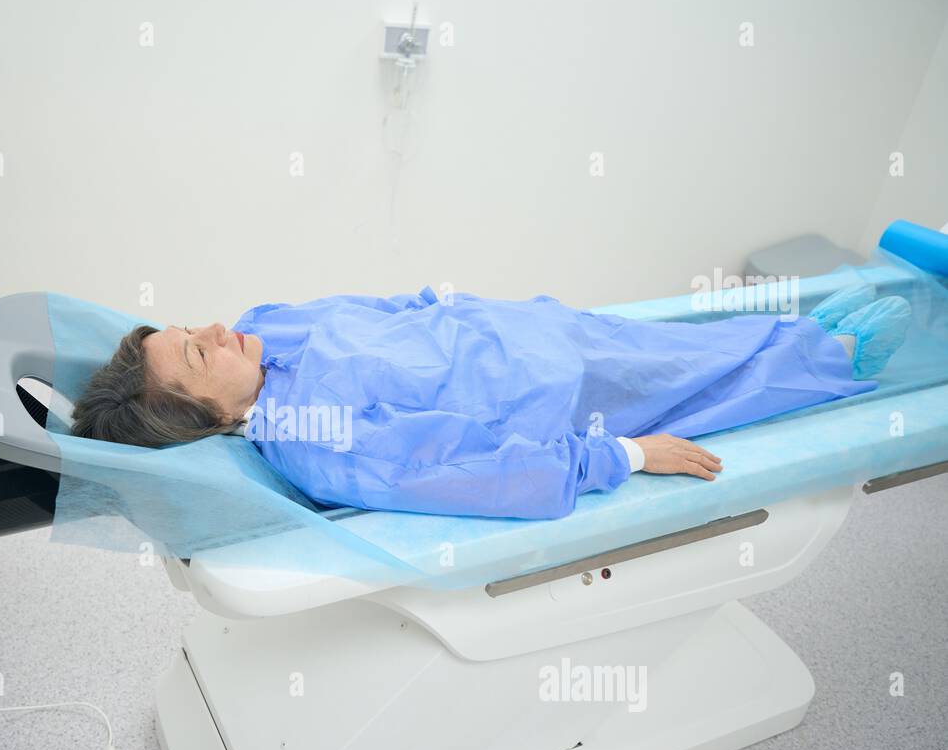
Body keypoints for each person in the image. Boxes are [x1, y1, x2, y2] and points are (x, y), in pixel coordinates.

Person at [70, 284, 911, 519]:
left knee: (675, 343)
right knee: (687, 380)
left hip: (525, 332)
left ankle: (803, 327)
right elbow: (471, 475)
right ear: (210, 417)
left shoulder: (264, 326)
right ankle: (838, 358)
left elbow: (382, 308)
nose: (217, 328)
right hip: (559, 396)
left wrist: (456, 305)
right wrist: (620, 455)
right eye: (196, 351)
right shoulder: (312, 438)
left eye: (193, 328)